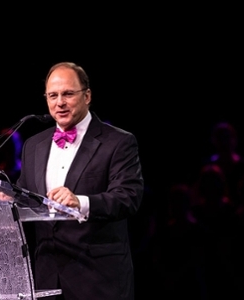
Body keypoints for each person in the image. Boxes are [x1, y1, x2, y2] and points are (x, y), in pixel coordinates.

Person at [15, 62, 144, 299]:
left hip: (98, 279)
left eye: (68, 94)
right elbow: (25, 195)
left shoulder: (118, 142)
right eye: (52, 95)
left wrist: (81, 201)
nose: (59, 102)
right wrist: (5, 200)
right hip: (47, 278)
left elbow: (128, 197)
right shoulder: (33, 145)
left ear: (87, 96)